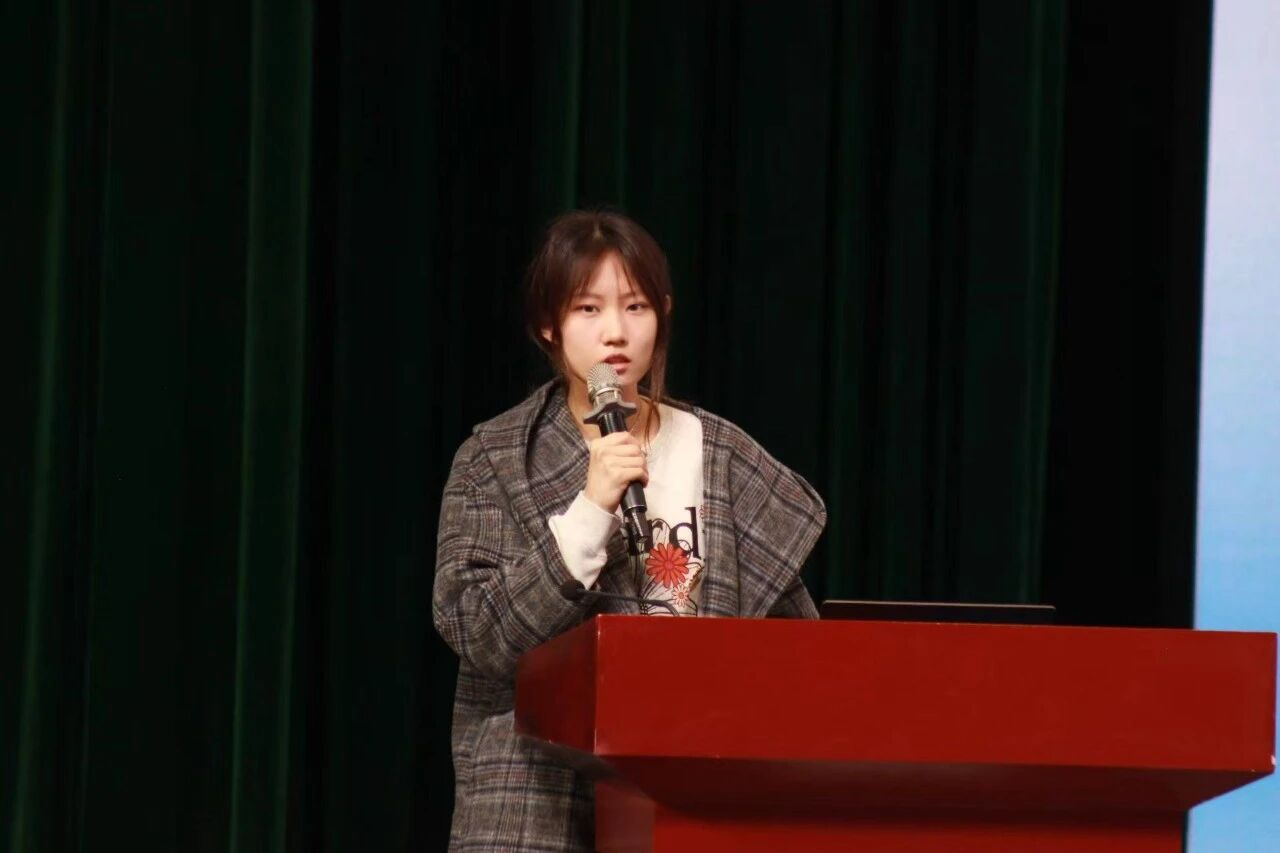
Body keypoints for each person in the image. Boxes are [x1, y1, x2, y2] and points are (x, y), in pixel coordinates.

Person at [432, 209, 826, 851]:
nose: (615, 331)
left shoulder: (720, 456)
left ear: (662, 315)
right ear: (548, 324)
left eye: (636, 306)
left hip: (689, 798)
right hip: (535, 800)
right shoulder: (496, 460)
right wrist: (591, 508)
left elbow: (795, 654)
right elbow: (478, 633)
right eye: (588, 309)